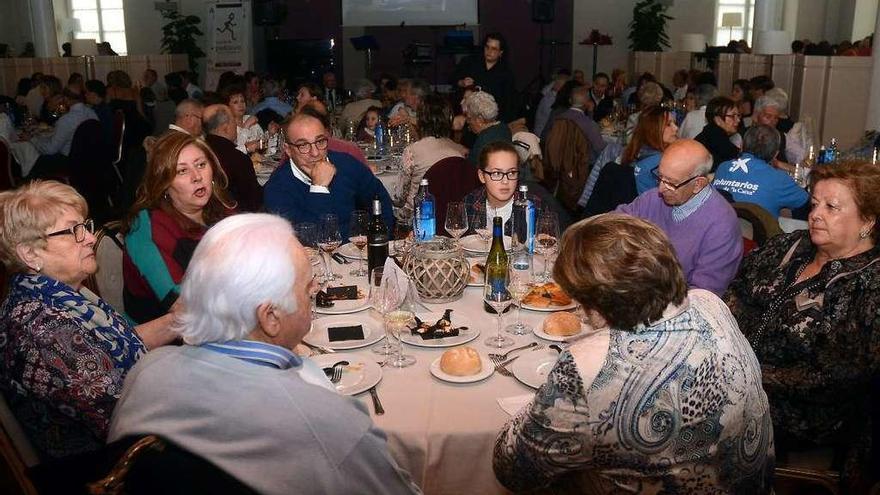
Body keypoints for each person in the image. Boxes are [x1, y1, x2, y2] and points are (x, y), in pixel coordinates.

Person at [108, 213, 420, 495]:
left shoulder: (147, 372)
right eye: (307, 287)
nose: (315, 291)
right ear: (270, 317)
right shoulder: (325, 423)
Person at [493, 213, 775, 493]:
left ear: (597, 299)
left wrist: (548, 400)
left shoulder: (588, 364)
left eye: (577, 295)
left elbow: (513, 470)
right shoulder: (711, 303)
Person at [726, 159, 880, 491]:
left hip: (804, 413)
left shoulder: (869, 282)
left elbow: (838, 375)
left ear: (867, 221)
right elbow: (735, 292)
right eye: (814, 204)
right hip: (735, 377)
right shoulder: (789, 246)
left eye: (831, 207)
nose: (815, 214)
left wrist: (747, 373)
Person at [0, 181, 177, 459]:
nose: (91, 238)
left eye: (85, 226)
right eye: (73, 231)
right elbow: (124, 418)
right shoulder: (45, 330)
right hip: (109, 467)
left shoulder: (60, 293)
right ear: (30, 253)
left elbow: (119, 346)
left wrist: (183, 320)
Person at [122, 132, 235, 323]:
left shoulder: (219, 208)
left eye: (201, 165)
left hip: (223, 316)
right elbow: (182, 305)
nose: (197, 176)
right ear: (164, 183)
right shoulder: (145, 227)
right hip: (163, 341)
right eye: (182, 171)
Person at [617, 139, 742, 296]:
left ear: (698, 184)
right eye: (660, 177)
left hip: (673, 305)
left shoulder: (722, 227)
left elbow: (703, 296)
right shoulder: (653, 199)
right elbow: (613, 224)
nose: (661, 189)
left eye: (671, 183)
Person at [263, 108, 394, 239]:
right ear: (288, 150)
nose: (315, 153)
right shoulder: (277, 188)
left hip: (356, 253)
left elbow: (379, 198)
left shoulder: (346, 163)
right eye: (303, 145)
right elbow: (308, 240)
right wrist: (319, 187)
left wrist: (380, 242)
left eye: (320, 142)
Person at [393, 95, 467, 226]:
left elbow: (399, 197)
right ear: (449, 119)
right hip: (450, 217)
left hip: (417, 217)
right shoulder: (461, 151)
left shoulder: (412, 151)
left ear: (421, 120)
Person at [713, 125, 808, 216]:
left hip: (719, 229)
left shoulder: (723, 168)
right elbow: (807, 204)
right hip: (760, 232)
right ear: (775, 154)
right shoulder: (779, 179)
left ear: (741, 146)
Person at [462, 141, 541, 235]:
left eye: (512, 173)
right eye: (497, 173)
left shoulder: (533, 206)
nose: (505, 181)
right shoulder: (470, 202)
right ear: (482, 176)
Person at [202, 104, 262, 212]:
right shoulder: (237, 159)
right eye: (234, 122)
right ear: (225, 128)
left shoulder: (200, 151)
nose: (236, 126)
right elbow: (253, 202)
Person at [452, 32, 518, 122]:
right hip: (466, 114)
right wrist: (462, 83)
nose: (489, 51)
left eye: (494, 49)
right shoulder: (470, 62)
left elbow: (508, 104)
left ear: (500, 53)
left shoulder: (506, 74)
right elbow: (452, 78)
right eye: (487, 47)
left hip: (492, 118)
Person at [630, 105, 679, 194]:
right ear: (653, 129)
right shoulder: (657, 162)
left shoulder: (637, 152)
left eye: (675, 123)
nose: (676, 128)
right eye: (668, 124)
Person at [462, 91, 511, 166]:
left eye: (469, 118)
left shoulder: (484, 139)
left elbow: (471, 169)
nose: (468, 122)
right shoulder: (503, 128)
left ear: (480, 120)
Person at [695, 96, 741, 172]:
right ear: (718, 120)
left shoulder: (709, 133)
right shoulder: (716, 138)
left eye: (738, 115)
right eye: (732, 116)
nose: (738, 120)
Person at [222, 84, 263, 155]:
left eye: (242, 101)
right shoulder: (226, 126)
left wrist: (271, 135)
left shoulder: (249, 118)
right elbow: (234, 153)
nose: (240, 105)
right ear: (227, 107)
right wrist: (246, 126)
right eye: (235, 102)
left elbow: (262, 142)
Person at [533, 69, 570, 137]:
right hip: (542, 136)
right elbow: (553, 121)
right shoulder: (550, 100)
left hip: (544, 134)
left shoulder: (550, 96)